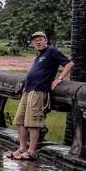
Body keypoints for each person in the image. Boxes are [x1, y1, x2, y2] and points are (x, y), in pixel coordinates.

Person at [9, 31, 73, 161]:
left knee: (33, 122)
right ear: (32, 43)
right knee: (20, 120)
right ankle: (22, 148)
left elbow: (69, 63)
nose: (38, 42)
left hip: (39, 91)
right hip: (28, 90)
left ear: (46, 40)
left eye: (40, 39)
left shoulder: (51, 51)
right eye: (35, 40)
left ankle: (31, 151)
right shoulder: (40, 55)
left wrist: (59, 78)